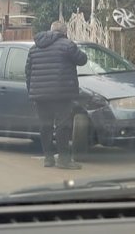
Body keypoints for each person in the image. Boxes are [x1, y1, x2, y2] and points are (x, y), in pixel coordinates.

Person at [25, 20, 88, 169]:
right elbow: (83, 60)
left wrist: (32, 92)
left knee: (45, 126)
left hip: (40, 95)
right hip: (61, 94)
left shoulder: (34, 48)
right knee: (63, 126)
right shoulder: (67, 45)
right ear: (64, 32)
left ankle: (48, 158)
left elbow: (28, 72)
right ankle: (64, 160)